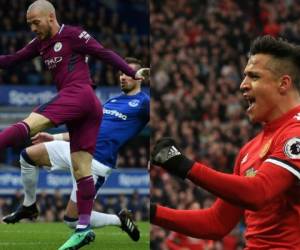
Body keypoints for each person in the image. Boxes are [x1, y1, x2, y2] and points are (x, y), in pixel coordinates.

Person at [0, 1, 149, 249]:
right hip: (89, 109)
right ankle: (79, 227)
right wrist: (56, 138)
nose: (32, 28)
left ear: (50, 17)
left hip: (79, 93)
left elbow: (105, 53)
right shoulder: (39, 44)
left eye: (35, 23)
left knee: (28, 124)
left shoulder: (73, 34)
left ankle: (60, 217)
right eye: (29, 24)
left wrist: (129, 71)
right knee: (70, 168)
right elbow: (11, 61)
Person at [150, 35, 300, 249]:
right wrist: (153, 212)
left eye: (254, 76)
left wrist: (184, 166)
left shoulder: (296, 133)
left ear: (283, 83)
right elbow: (217, 223)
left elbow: (258, 193)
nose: (242, 85)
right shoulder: (249, 149)